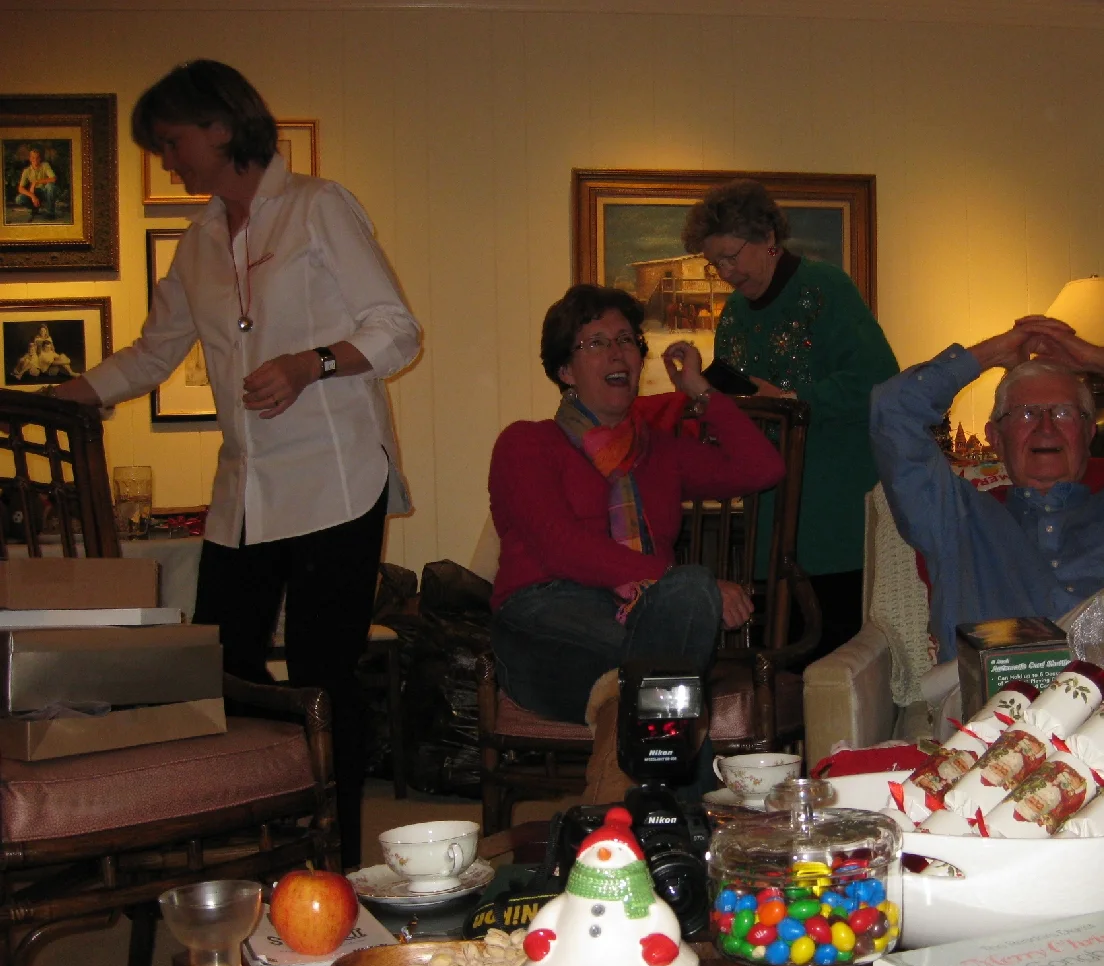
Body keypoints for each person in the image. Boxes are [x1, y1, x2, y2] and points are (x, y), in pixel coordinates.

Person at [54, 60, 420, 868]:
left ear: (221, 128)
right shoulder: (198, 241)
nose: (167, 160)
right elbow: (154, 352)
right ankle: (270, 828)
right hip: (246, 490)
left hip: (334, 480)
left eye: (171, 141)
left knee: (323, 674)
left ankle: (332, 861)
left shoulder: (320, 207)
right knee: (224, 667)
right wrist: (69, 394)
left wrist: (310, 363)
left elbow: (396, 330)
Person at [489, 283, 785, 732]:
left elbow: (763, 468)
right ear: (565, 370)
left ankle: (648, 752)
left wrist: (700, 390)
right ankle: (668, 733)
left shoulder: (660, 452)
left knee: (682, 607)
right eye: (596, 343)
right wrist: (670, 582)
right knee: (672, 647)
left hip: (639, 625)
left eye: (626, 340)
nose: (616, 353)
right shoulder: (526, 442)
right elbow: (561, 547)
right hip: (547, 626)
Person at [870, 317, 1104, 664]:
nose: (1046, 428)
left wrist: (1093, 359)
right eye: (1026, 413)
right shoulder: (951, 517)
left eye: (1064, 413)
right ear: (996, 437)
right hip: (995, 703)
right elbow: (893, 408)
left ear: (1089, 433)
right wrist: (993, 353)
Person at [681, 179, 899, 662]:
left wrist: (790, 398)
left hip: (835, 518)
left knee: (838, 667)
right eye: (715, 263)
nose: (726, 273)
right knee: (780, 669)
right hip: (769, 522)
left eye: (732, 256)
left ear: (767, 238)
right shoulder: (733, 316)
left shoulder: (825, 288)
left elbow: (878, 380)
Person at [14, 147, 57, 219]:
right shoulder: (26, 171)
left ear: (40, 158)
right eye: (33, 158)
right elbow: (20, 188)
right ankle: (35, 208)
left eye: (37, 158)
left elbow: (53, 179)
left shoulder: (45, 165)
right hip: (34, 192)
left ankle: (50, 213)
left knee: (50, 186)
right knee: (19, 199)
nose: (35, 160)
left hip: (45, 192)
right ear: (30, 159)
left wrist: (36, 182)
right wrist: (32, 196)